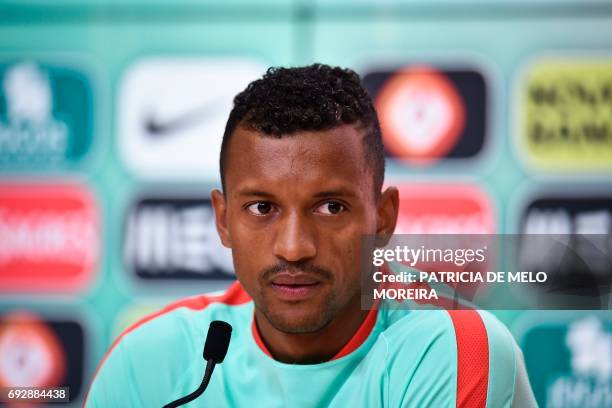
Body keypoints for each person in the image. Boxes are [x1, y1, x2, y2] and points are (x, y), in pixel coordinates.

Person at [84, 64, 537, 407]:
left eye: (330, 207)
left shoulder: (456, 348)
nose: (294, 247)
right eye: (262, 208)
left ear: (383, 219)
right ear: (223, 220)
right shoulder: (148, 361)